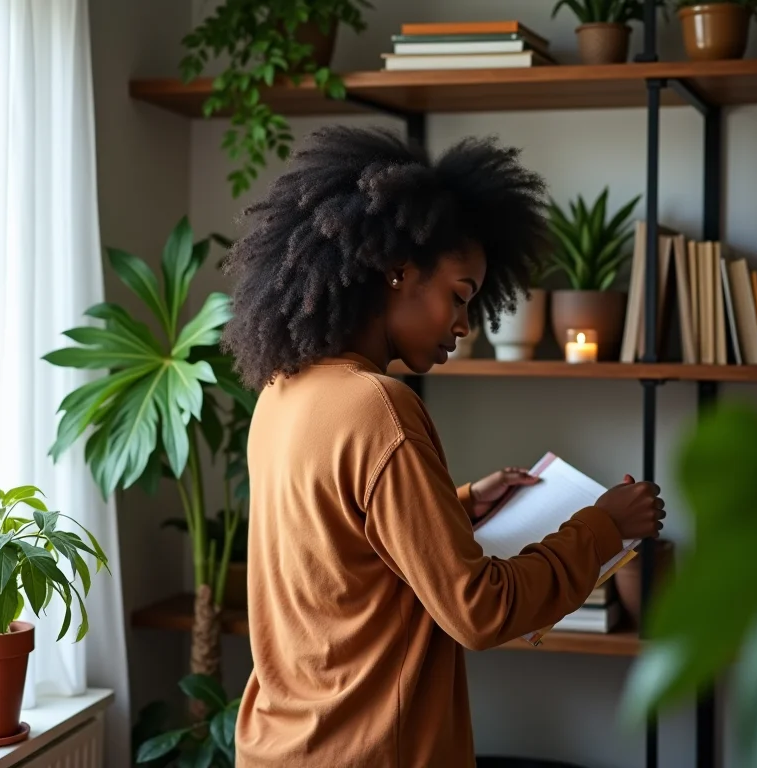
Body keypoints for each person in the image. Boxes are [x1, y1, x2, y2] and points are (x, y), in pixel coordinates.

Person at [221, 126, 665, 768]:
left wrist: (457, 506)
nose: (464, 324)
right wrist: (604, 526)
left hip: (282, 746)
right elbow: (478, 612)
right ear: (397, 272)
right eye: (459, 296)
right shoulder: (379, 407)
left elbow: (336, 549)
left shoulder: (283, 392)